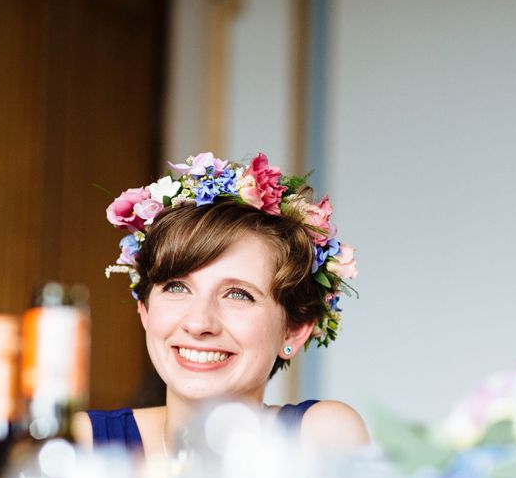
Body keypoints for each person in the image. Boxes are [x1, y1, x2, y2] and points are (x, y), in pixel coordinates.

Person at [74, 151, 369, 454]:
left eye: (238, 294)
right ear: (145, 310)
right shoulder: (79, 443)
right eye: (177, 287)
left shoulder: (321, 434)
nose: (199, 323)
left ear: (293, 330)